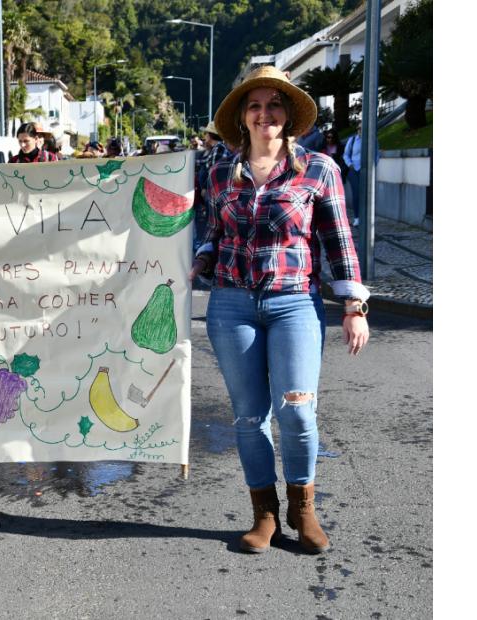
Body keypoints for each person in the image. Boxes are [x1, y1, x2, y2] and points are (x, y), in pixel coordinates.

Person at [192, 66, 370, 555]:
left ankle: (303, 507)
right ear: (242, 117)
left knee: (297, 410)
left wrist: (354, 304)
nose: (264, 113)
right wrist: (201, 259)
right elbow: (214, 229)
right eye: (255, 105)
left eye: (274, 104)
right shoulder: (218, 169)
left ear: (288, 116)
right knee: (249, 418)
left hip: (294, 303)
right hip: (231, 304)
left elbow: (337, 239)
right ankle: (264, 514)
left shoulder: (318, 169)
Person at [193, 121, 234, 252]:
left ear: (210, 136)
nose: (204, 137)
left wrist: (205, 188)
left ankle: (208, 249)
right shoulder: (216, 149)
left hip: (213, 193)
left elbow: (213, 171)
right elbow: (203, 163)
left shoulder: (218, 149)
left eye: (206, 134)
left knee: (211, 222)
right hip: (212, 193)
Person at [342, 125, 363, 226]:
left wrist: (374, 165)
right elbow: (345, 154)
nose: (361, 130)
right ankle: (357, 217)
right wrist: (350, 164)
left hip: (366, 170)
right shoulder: (353, 140)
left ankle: (365, 216)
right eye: (359, 128)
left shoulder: (372, 139)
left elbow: (376, 153)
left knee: (366, 194)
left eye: (363, 128)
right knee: (357, 192)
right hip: (354, 170)